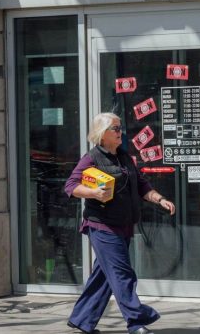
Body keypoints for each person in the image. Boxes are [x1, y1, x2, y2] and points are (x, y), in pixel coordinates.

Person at [64, 112, 175, 334]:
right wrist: (94, 193)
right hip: (102, 226)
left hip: (124, 226)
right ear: (102, 134)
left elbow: (142, 185)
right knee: (123, 274)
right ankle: (136, 322)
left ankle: (82, 320)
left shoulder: (124, 157)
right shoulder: (92, 158)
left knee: (104, 276)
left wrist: (160, 199)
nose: (120, 132)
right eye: (115, 129)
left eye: (120, 128)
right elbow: (71, 186)